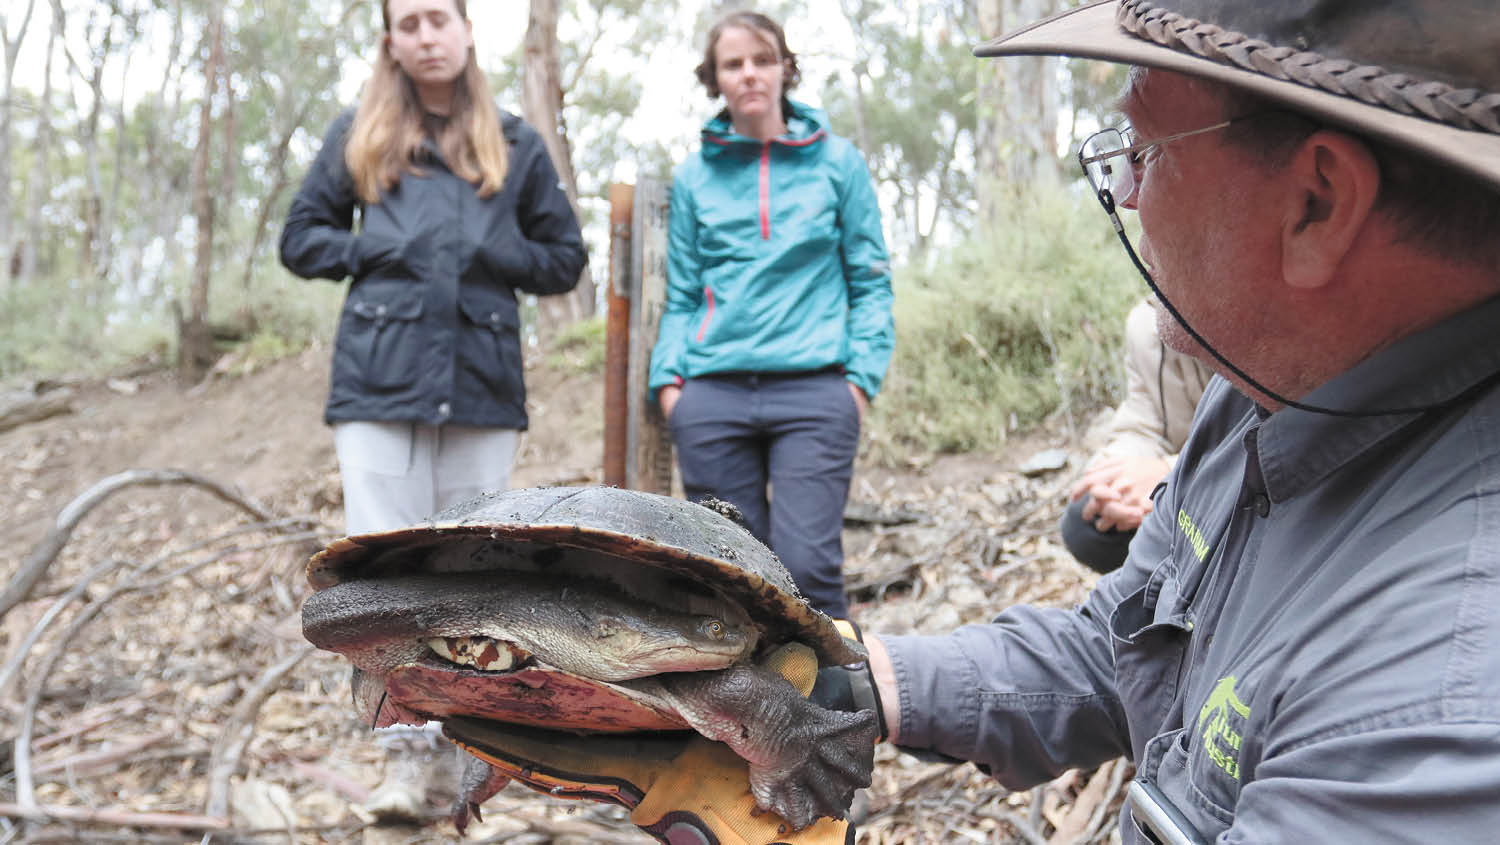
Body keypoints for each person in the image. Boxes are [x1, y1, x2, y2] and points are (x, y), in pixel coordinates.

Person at [466, 1, 1500, 842]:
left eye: (1143, 150)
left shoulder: (1439, 696)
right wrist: (847, 679)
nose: (1127, 193)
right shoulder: (1268, 394)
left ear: (1318, 203)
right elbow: (1121, 645)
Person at [278, 0, 586, 821]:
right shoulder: (360, 130)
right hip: (378, 383)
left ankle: (476, 753)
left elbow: (564, 260)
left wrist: (496, 250)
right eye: (407, 21)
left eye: (437, 18)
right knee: (384, 576)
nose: (425, 35)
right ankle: (403, 763)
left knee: (474, 571)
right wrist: (371, 247)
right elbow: (300, 238)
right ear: (391, 39)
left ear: (466, 28)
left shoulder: (515, 141)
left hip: (482, 385)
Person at [648, 10, 894, 620]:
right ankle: (743, 711)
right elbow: (682, 294)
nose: (750, 75)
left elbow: (871, 281)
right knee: (726, 573)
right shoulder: (695, 176)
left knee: (809, 568)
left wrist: (858, 383)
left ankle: (833, 706)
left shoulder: (838, 163)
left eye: (763, 60)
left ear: (786, 68)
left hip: (815, 393)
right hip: (711, 396)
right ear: (716, 79)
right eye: (734, 64)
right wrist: (670, 387)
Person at [1061, 299, 1213, 572]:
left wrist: (1168, 472)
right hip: (1187, 478)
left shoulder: (1241, 316)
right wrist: (1112, 475)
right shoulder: (1147, 322)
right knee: (1087, 524)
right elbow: (1142, 421)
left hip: (1233, 482)